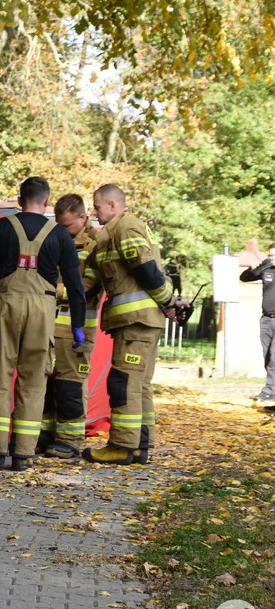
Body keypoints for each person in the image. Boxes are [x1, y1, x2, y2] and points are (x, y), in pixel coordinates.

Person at [0, 177, 86, 471]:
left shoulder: (2, 226)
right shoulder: (60, 234)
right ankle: (23, 454)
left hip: (5, 304)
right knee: (34, 381)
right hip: (43, 309)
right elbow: (75, 284)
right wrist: (78, 324)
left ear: (19, 200)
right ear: (47, 202)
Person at [81, 184, 177, 465]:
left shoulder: (126, 227)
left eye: (97, 206)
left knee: (124, 382)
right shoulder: (108, 236)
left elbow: (146, 269)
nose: (94, 212)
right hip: (139, 322)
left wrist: (168, 301)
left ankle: (122, 446)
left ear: (112, 205)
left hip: (137, 321)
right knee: (139, 384)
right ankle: (140, 445)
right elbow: (91, 282)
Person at [38, 194, 100, 459]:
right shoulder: (53, 239)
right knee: (46, 384)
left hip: (76, 326)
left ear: (83, 219)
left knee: (69, 385)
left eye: (67, 226)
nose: (61, 230)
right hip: (47, 324)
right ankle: (45, 435)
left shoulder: (95, 245)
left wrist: (49, 291)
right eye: (58, 224)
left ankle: (70, 440)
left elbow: (87, 286)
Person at [239, 242, 275, 402]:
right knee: (267, 355)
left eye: (273, 255)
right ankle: (272, 390)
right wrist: (252, 268)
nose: (270, 257)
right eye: (270, 254)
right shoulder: (267, 268)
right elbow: (245, 278)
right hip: (267, 319)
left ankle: (269, 391)